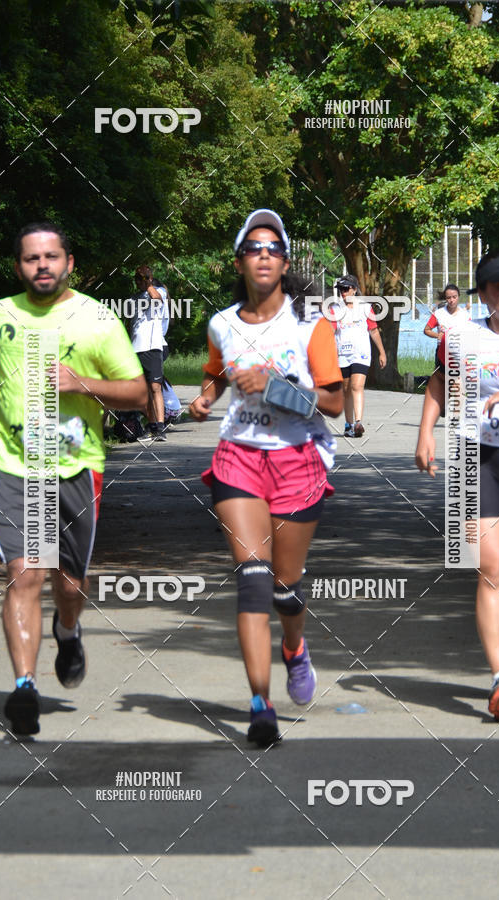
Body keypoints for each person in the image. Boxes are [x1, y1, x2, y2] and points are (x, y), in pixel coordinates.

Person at [0, 222, 147, 736]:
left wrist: (81, 383)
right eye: (30, 258)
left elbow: (138, 395)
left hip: (73, 466)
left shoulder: (97, 319)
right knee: (25, 576)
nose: (41, 265)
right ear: (18, 265)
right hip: (16, 464)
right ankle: (24, 688)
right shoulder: (1, 314)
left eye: (51, 256)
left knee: (69, 585)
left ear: (69, 262)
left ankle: (68, 630)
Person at [189, 209, 343, 747]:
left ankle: (295, 648)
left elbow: (336, 403)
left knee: (284, 589)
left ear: (283, 262)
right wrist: (205, 399)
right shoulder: (221, 324)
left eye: (273, 247)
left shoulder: (311, 327)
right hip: (239, 456)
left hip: (298, 458)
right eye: (253, 247)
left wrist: (276, 386)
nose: (263, 254)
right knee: (252, 580)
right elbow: (216, 375)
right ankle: (260, 705)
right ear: (239, 261)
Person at [415, 250, 499, 722]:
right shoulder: (464, 336)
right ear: (484, 294)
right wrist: (426, 432)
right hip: (478, 460)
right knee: (495, 570)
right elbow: (439, 384)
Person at [334, 275, 386, 437]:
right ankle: (348, 425)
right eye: (341, 290)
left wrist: (382, 352)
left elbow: (373, 330)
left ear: (355, 290)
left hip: (361, 353)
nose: (343, 292)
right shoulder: (335, 309)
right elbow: (330, 332)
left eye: (346, 289)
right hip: (342, 354)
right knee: (346, 389)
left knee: (357, 386)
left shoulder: (365, 307)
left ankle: (358, 422)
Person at [130, 265, 170, 441]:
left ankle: (160, 428)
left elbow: (157, 297)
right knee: (142, 390)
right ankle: (152, 426)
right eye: (138, 280)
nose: (140, 283)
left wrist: (148, 281)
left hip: (153, 346)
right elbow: (130, 323)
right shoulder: (133, 298)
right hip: (135, 347)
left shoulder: (157, 290)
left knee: (155, 387)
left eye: (143, 279)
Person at [424, 283, 471, 370]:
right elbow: (426, 330)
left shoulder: (465, 315)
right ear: (445, 299)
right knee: (441, 380)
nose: (451, 300)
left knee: (457, 381)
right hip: (442, 351)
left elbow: (471, 334)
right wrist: (438, 336)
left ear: (458, 297)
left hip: (459, 352)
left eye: (454, 297)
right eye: (449, 298)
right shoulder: (439, 313)